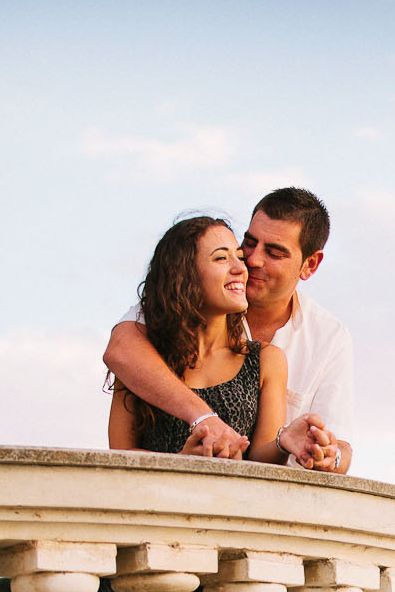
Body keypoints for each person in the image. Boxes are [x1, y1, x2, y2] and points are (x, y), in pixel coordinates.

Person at [84, 215, 292, 592]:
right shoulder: (141, 359)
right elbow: (121, 465)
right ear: (183, 275)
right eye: (222, 257)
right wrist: (180, 458)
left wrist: (297, 441)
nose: (241, 266)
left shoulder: (265, 361)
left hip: (213, 566)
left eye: (240, 256)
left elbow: (260, 456)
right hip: (141, 564)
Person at [103, 188, 353, 473]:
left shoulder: (324, 340)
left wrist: (316, 450)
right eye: (248, 243)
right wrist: (200, 425)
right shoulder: (160, 326)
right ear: (185, 276)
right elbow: (121, 351)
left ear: (310, 264)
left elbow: (336, 448)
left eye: (274, 253)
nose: (250, 262)